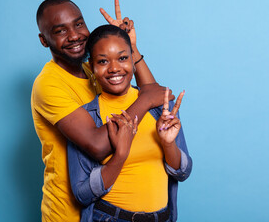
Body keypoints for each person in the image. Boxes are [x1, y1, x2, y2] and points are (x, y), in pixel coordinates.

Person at [32, 0, 174, 221]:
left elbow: (155, 94)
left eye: (78, 24)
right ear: (43, 40)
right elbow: (97, 146)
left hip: (103, 207)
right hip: (68, 213)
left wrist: (127, 46)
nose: (74, 35)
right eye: (60, 31)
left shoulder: (93, 70)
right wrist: (145, 100)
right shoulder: (48, 83)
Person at [67, 25, 192, 222]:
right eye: (103, 61)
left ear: (134, 62)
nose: (114, 68)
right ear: (91, 67)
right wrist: (120, 156)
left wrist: (168, 145)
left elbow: (183, 172)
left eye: (123, 58)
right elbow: (82, 194)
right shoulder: (87, 118)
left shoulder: (159, 105)